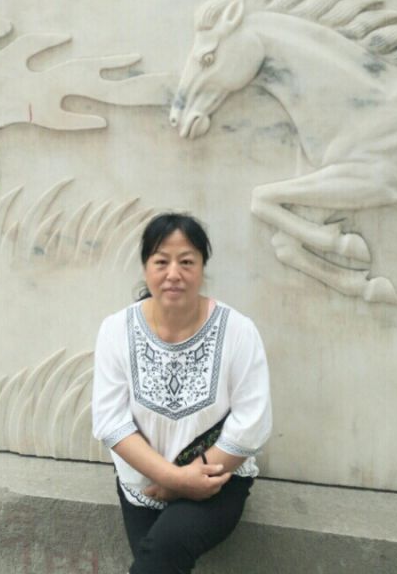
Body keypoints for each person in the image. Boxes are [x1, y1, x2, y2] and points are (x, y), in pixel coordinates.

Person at [92, 212, 272, 574]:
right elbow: (111, 421)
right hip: (144, 485)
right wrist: (172, 480)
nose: (173, 273)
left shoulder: (238, 331)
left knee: (160, 553)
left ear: (202, 267)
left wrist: (190, 481)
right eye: (161, 262)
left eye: (186, 262)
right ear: (146, 268)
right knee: (159, 562)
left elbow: (251, 423)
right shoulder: (116, 330)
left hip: (217, 481)